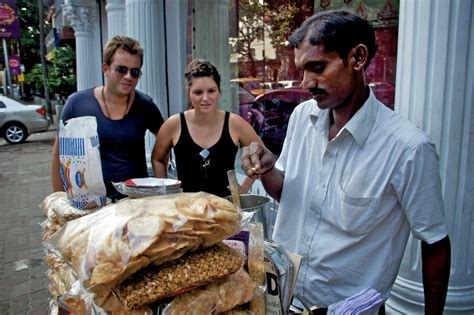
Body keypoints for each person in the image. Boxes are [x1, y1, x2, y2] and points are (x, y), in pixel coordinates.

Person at [240, 10, 451, 313]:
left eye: (317, 67)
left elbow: (435, 242)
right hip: (283, 299)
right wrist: (268, 171)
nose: (306, 82)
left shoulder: (408, 148)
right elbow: (289, 195)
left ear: (358, 58)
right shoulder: (302, 117)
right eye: (302, 70)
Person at [51, 35, 164, 200]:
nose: (128, 77)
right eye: (121, 69)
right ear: (106, 69)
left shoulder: (145, 105)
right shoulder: (77, 103)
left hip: (136, 203)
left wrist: (161, 181)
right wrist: (58, 200)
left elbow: (167, 138)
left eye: (135, 72)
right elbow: (59, 154)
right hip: (91, 204)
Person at [151, 59, 264, 197]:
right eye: (198, 92)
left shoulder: (235, 123)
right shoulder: (174, 124)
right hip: (185, 211)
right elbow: (158, 159)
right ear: (189, 92)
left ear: (219, 90)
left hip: (225, 210)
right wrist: (165, 192)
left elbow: (263, 155)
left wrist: (245, 186)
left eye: (211, 91)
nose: (205, 98)